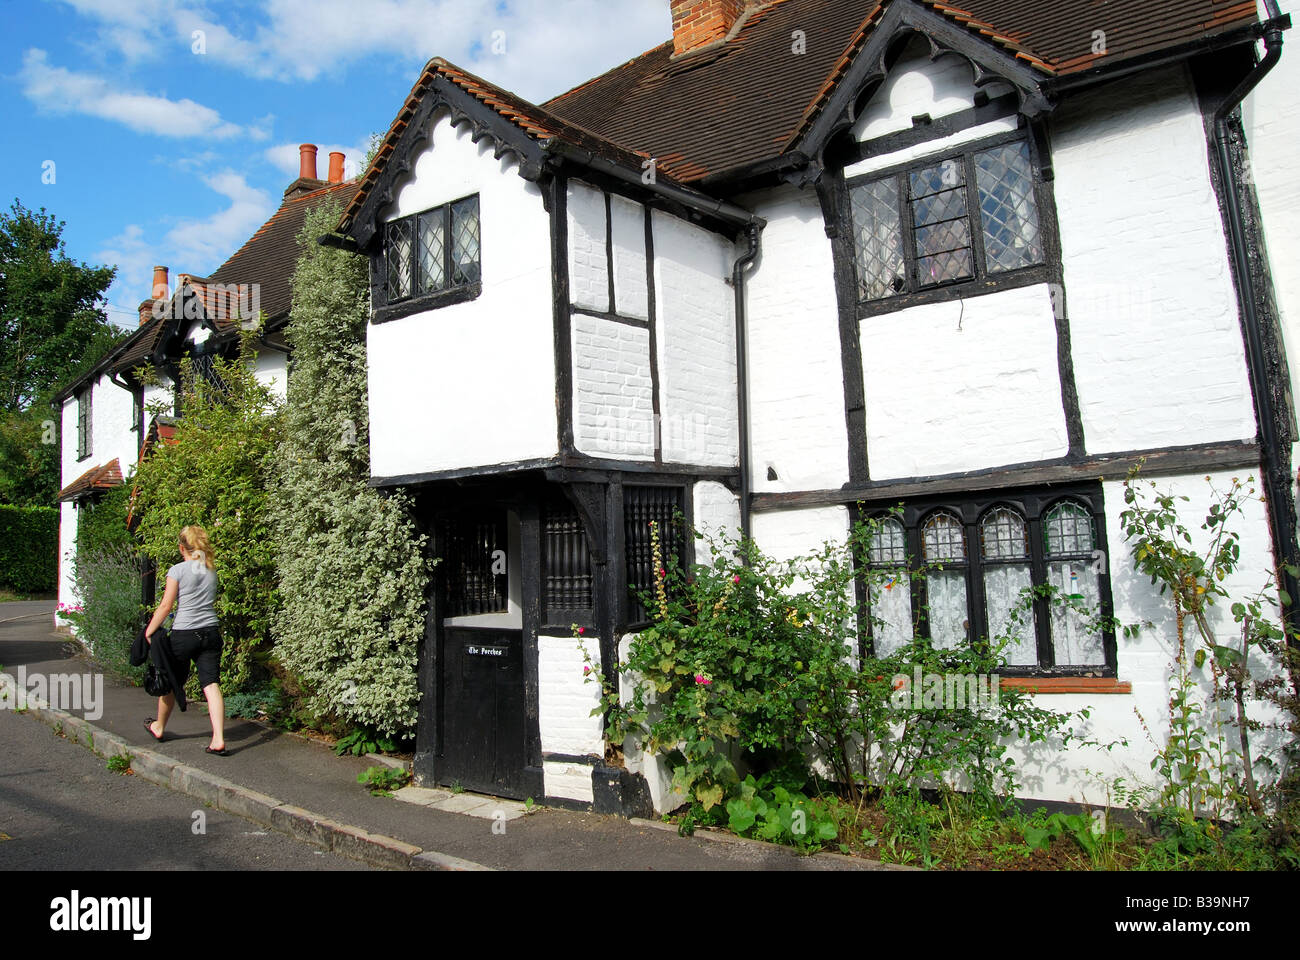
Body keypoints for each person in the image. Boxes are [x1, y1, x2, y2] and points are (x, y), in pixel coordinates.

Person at [143, 525, 228, 755]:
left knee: (171, 679)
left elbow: (165, 606)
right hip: (210, 632)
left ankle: (159, 726)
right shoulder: (211, 570)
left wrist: (149, 631)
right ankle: (218, 739)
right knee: (211, 684)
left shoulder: (177, 570)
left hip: (184, 634)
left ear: (182, 548)